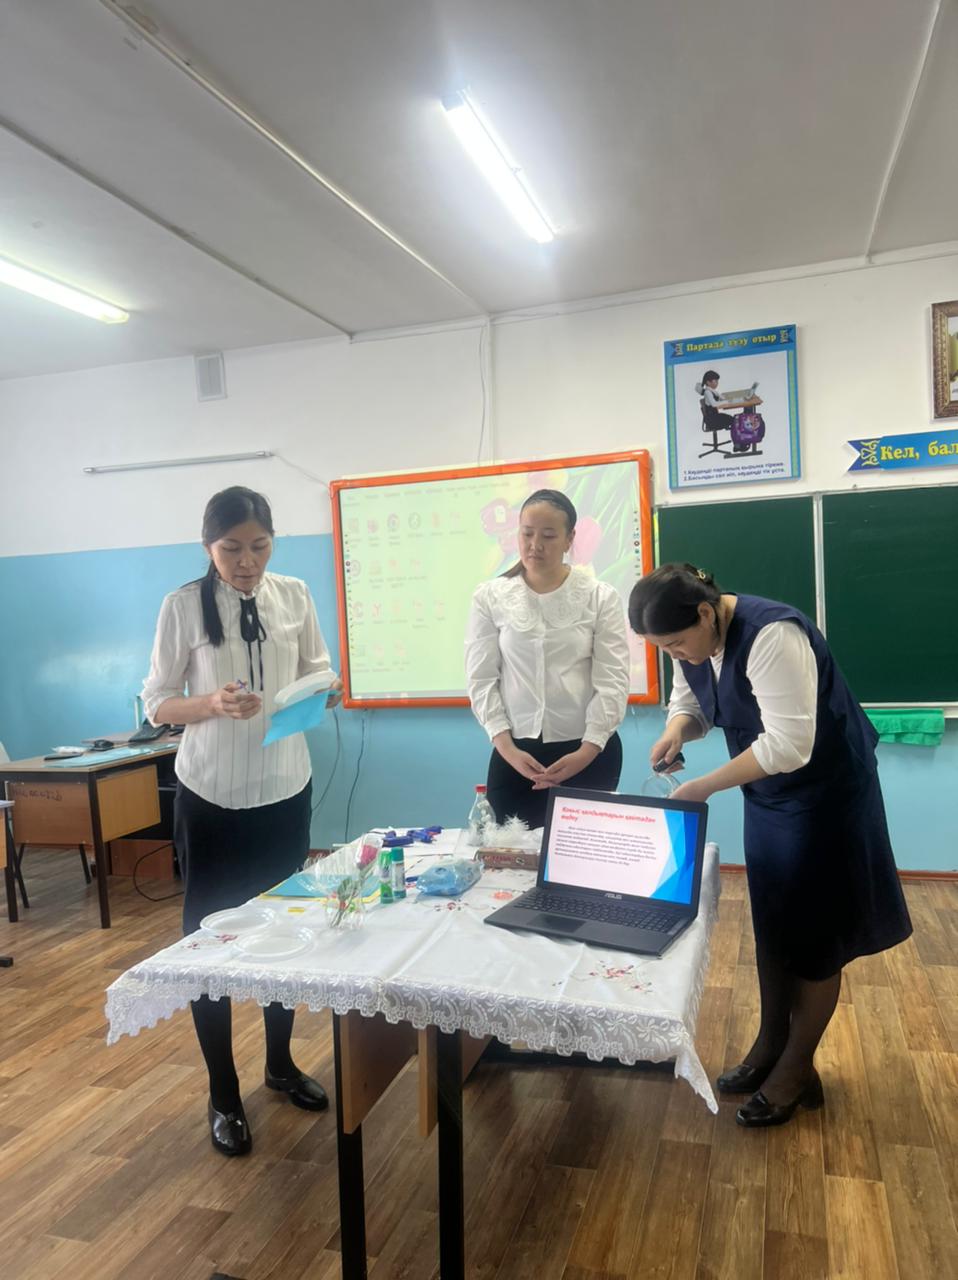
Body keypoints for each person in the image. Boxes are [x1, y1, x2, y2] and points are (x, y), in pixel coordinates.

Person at [628, 564, 912, 1127]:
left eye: (677, 644)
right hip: (770, 795)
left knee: (815, 937)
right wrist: (675, 730)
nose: (674, 655)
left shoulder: (772, 634)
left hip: (826, 795)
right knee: (776, 923)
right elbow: (694, 705)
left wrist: (704, 786)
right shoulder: (693, 639)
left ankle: (796, 1070)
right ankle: (770, 1047)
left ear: (705, 613)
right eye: (662, 649)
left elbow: (788, 745)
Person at [142, 485, 341, 1157]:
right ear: (208, 547)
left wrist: (323, 690)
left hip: (285, 789)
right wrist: (210, 705)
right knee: (210, 942)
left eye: (259, 547)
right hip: (211, 797)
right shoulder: (181, 606)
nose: (247, 562)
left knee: (284, 933)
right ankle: (223, 1093)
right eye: (231, 549)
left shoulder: (295, 595)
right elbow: (157, 703)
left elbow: (318, 669)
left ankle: (279, 1065)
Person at [465, 489, 630, 828]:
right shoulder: (490, 597)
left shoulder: (599, 597)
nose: (535, 545)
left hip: (588, 753)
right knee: (510, 852)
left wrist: (587, 751)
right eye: (527, 533)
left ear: (569, 539)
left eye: (548, 536)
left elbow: (612, 681)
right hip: (515, 755)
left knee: (583, 853)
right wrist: (506, 747)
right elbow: (480, 678)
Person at [697, 370, 763, 453]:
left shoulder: (711, 390)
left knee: (735, 419)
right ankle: (738, 445)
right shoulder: (707, 392)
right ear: (708, 382)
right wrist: (727, 401)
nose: (717, 383)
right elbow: (714, 404)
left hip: (713, 416)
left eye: (717, 381)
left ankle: (740, 442)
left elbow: (719, 397)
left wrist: (726, 399)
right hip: (712, 420)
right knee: (734, 421)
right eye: (715, 381)